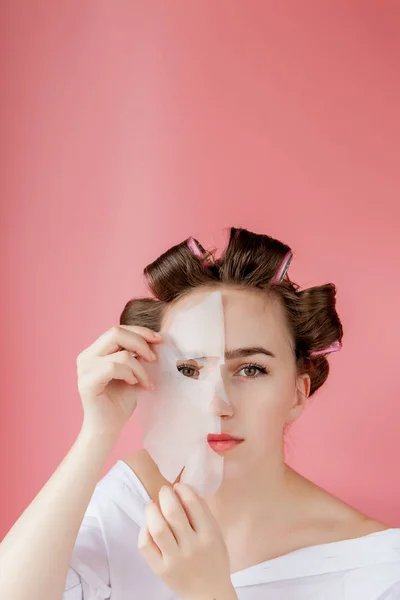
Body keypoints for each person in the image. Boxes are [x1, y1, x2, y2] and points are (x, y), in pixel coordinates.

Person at [1, 227, 399, 600]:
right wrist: (97, 432)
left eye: (250, 369)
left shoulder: (377, 567)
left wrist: (209, 592)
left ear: (297, 394)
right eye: (188, 370)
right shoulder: (134, 499)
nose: (217, 405)